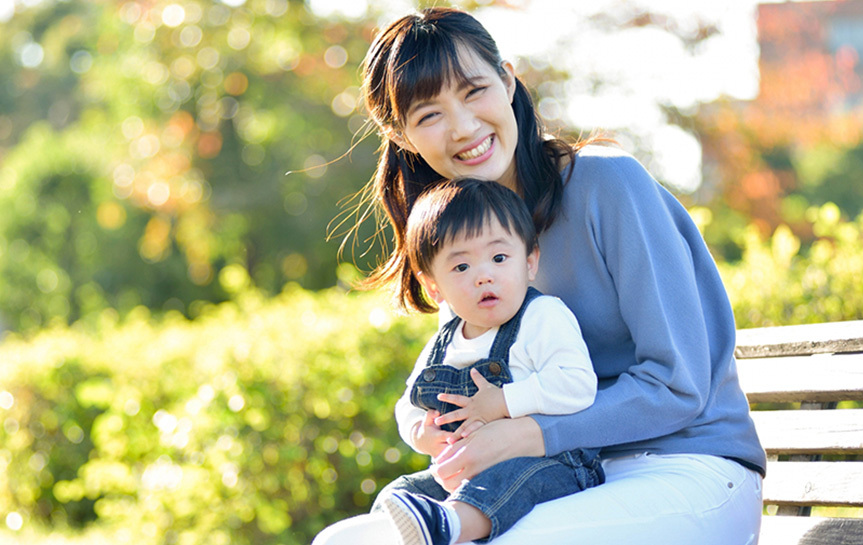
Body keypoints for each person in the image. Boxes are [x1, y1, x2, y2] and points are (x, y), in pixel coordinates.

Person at [314, 6, 765, 545]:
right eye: (429, 114)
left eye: (474, 90)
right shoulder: (457, 243)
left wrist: (524, 434)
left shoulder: (606, 185)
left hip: (686, 466)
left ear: (507, 80)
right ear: (405, 136)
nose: (462, 127)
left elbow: (678, 383)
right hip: (553, 480)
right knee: (346, 540)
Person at [379, 177, 602, 545]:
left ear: (529, 263)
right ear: (434, 287)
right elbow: (409, 403)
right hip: (469, 472)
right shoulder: (444, 341)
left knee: (507, 480)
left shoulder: (542, 316)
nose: (484, 275)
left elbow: (578, 385)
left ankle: (449, 526)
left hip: (553, 464)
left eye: (499, 258)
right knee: (400, 490)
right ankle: (387, 531)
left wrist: (502, 401)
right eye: (461, 267)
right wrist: (421, 431)